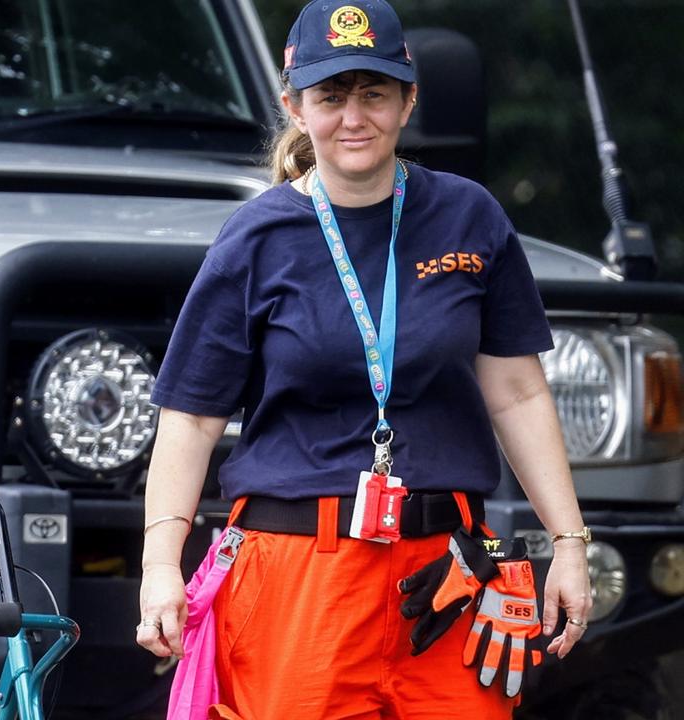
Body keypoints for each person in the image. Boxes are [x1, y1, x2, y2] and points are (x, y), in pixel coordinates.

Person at [135, 2, 592, 717]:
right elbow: (191, 420)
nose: (355, 117)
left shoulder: (470, 217)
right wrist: (160, 567)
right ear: (294, 106)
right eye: (331, 96)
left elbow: (518, 394)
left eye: (374, 93)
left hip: (450, 575)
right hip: (296, 577)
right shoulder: (256, 236)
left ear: (409, 100)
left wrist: (569, 542)